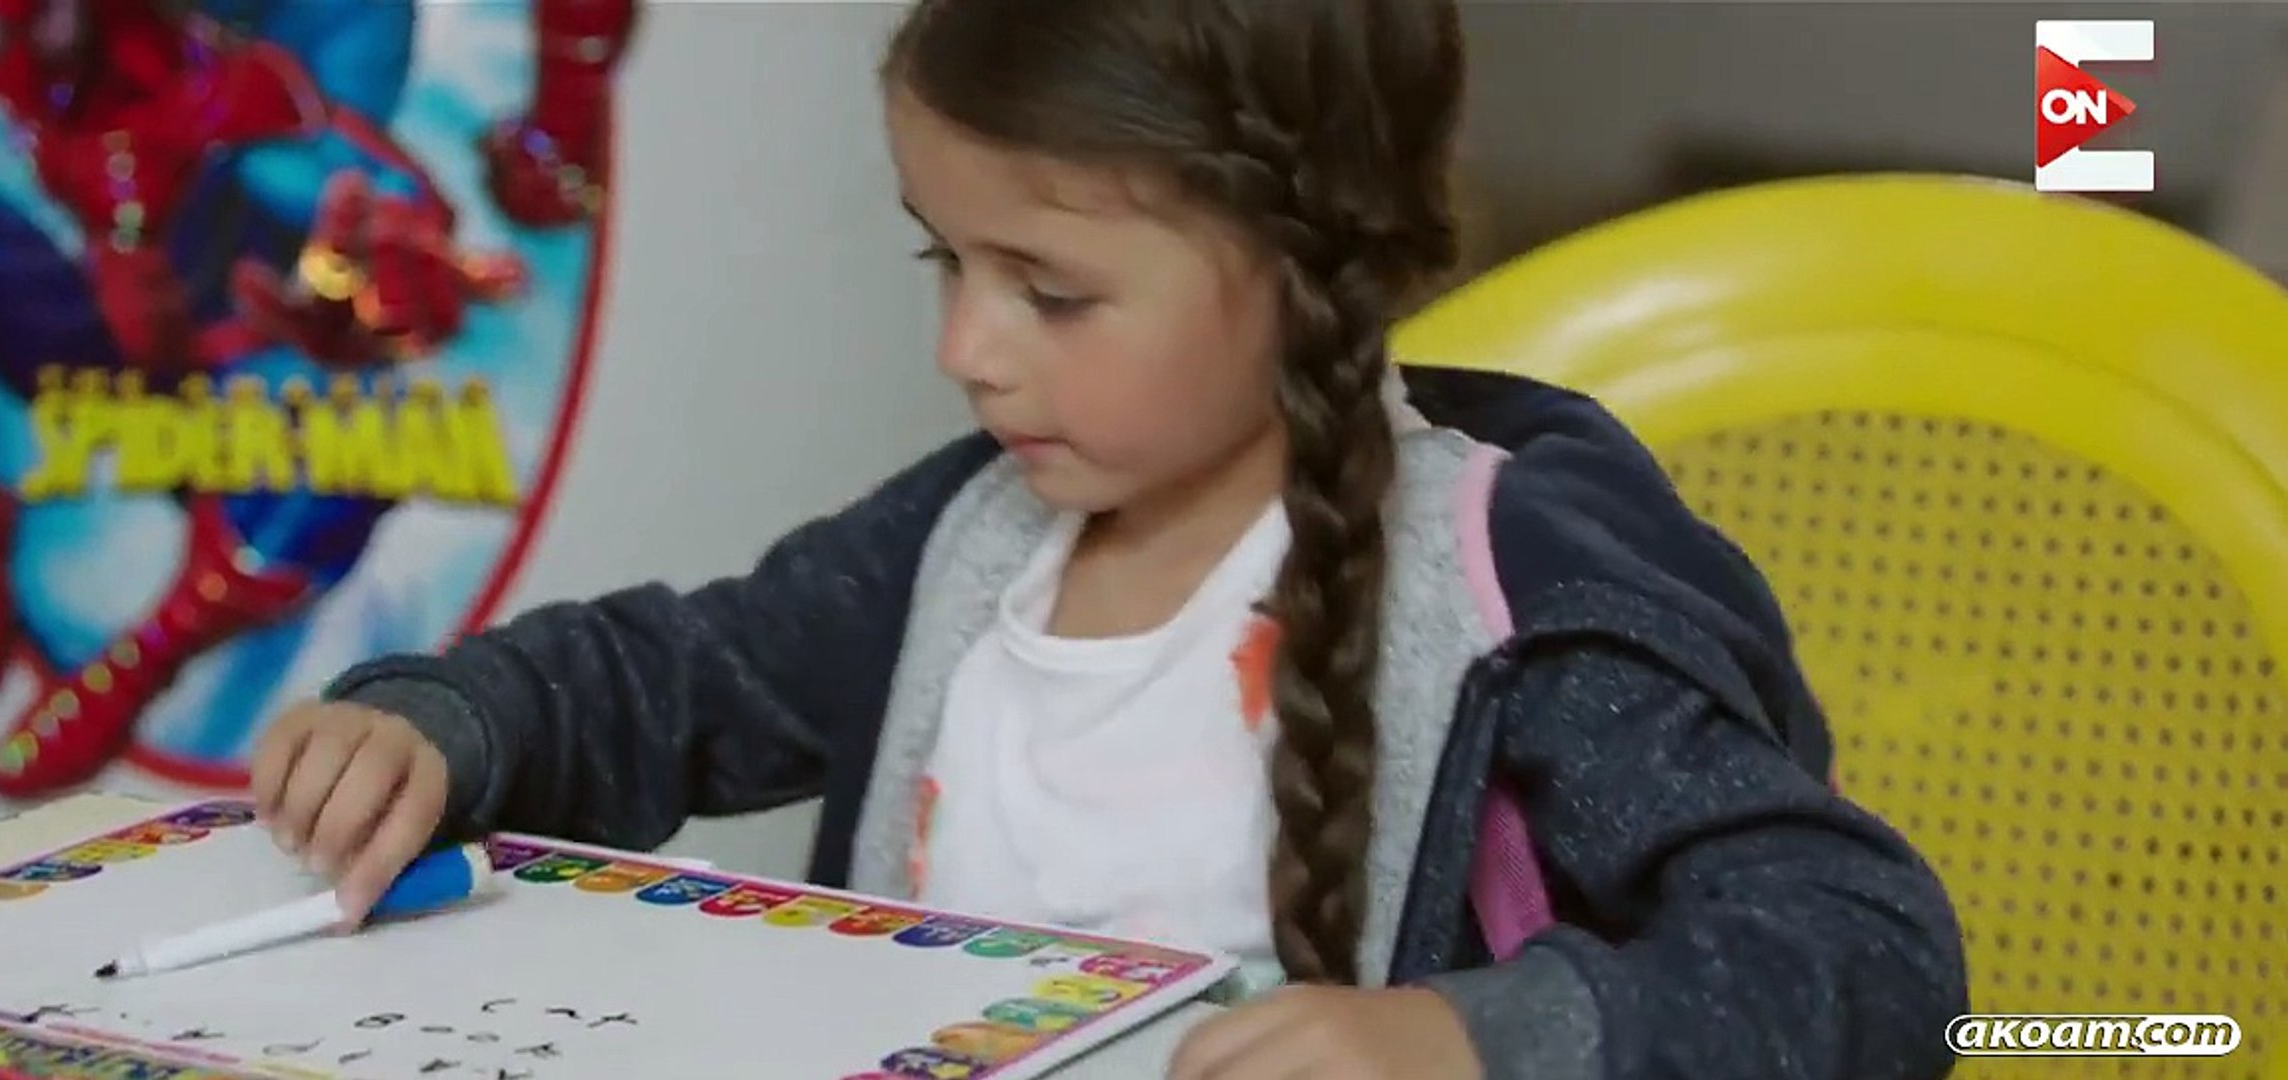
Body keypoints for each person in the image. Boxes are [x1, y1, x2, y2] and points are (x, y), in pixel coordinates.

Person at [250, 0, 1970, 1075]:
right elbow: (670, 677)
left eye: (1049, 290)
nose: (965, 348)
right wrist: (446, 722)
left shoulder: (1512, 597)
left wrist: (1463, 1040)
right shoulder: (963, 542)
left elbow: (1862, 953)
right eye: (946, 261)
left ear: (1304, 261)